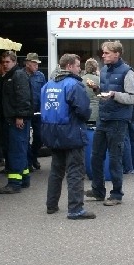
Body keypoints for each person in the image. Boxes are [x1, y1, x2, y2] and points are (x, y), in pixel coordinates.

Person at [42, 54, 95, 220]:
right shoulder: (74, 84)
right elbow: (83, 110)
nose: (80, 69)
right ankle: (75, 208)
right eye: (78, 66)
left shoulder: (48, 84)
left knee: (56, 170)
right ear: (70, 66)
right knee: (75, 171)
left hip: (52, 131)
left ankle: (51, 205)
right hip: (71, 131)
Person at [86, 41, 134, 206]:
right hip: (103, 118)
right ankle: (98, 191)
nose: (103, 55)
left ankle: (116, 194)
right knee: (96, 156)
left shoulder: (128, 72)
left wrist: (114, 94)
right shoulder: (104, 70)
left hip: (118, 121)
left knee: (115, 159)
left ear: (117, 54)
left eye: (107, 53)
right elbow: (104, 93)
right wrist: (96, 89)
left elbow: (132, 98)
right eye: (103, 52)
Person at [0, 51, 34, 194]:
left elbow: (23, 97)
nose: (5, 65)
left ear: (14, 62)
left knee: (15, 150)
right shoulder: (10, 76)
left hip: (16, 119)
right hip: (12, 118)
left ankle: (14, 183)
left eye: (8, 62)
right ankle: (24, 178)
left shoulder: (17, 75)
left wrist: (20, 116)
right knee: (19, 149)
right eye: (4, 62)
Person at [25, 53, 47, 171]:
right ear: (27, 63)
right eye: (34, 63)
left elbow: (44, 92)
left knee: (39, 136)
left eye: (37, 64)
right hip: (26, 110)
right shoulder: (21, 75)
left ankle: (34, 156)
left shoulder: (40, 76)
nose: (37, 66)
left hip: (38, 111)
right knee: (25, 138)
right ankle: (28, 160)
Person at [82, 58, 101, 124]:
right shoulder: (100, 80)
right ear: (96, 68)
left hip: (84, 112)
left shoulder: (80, 80)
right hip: (97, 113)